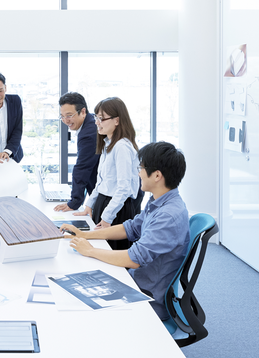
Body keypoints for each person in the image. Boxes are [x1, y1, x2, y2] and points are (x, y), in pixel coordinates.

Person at [60, 141, 190, 321]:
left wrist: (90, 250)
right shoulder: (160, 201)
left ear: (157, 175)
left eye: (141, 168)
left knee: (73, 300)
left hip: (147, 298)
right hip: (135, 282)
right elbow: (130, 228)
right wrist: (85, 235)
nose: (138, 173)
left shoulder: (168, 215)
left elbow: (133, 259)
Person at [73, 97, 141, 250]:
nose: (97, 122)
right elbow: (101, 182)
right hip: (104, 204)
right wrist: (89, 205)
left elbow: (124, 188)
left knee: (110, 253)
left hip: (117, 209)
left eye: (101, 119)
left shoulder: (122, 147)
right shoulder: (108, 144)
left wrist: (107, 217)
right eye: (96, 118)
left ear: (117, 120)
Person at [54, 92, 100, 212]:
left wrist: (74, 202)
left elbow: (82, 167)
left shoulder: (89, 133)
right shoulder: (89, 124)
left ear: (83, 112)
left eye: (69, 115)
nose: (65, 120)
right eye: (62, 116)